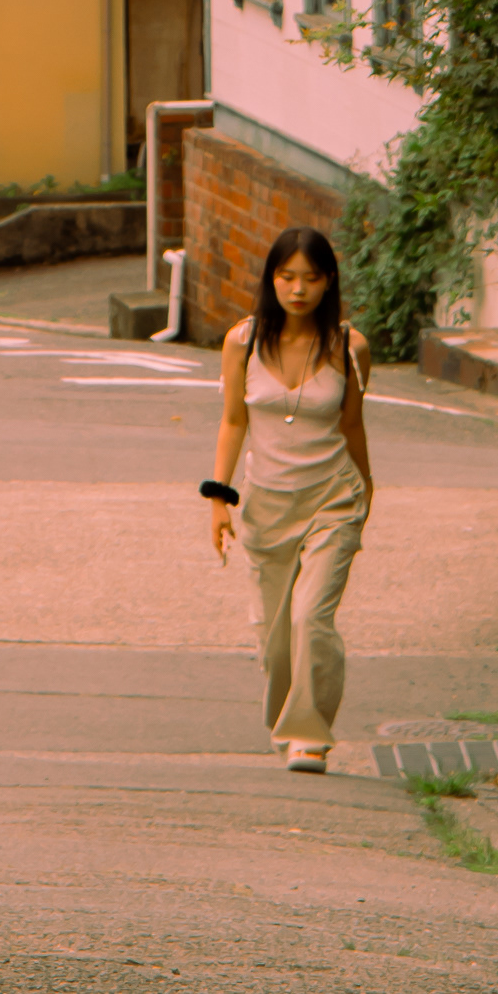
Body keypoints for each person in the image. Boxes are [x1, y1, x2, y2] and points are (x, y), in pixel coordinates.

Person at [200, 225, 373, 773]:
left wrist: (366, 494)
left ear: (329, 282)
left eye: (311, 278)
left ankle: (308, 736)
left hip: (332, 500)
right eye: (286, 276)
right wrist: (218, 499)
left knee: (310, 619)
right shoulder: (242, 342)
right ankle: (287, 720)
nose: (298, 289)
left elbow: (353, 427)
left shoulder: (349, 347)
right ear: (271, 279)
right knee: (275, 642)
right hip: (267, 506)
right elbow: (233, 421)